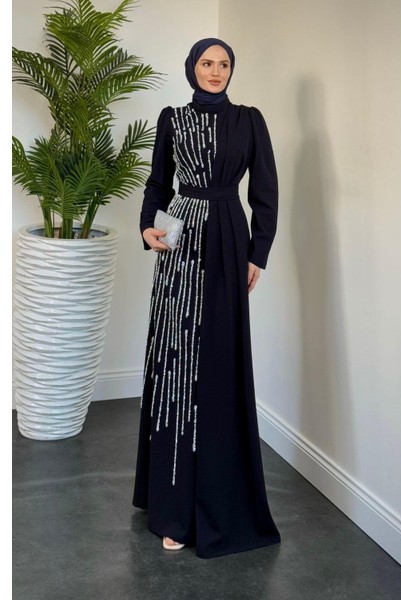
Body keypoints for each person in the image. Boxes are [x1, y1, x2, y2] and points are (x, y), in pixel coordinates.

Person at [132, 37, 280, 559]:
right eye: (206, 63)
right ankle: (172, 503)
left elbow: (265, 192)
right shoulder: (172, 118)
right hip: (179, 240)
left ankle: (218, 501)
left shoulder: (249, 120)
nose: (215, 71)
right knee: (176, 362)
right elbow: (158, 184)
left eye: (223, 64)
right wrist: (147, 227)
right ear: (191, 68)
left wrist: (258, 253)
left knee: (216, 362)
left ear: (231, 70)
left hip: (228, 239)